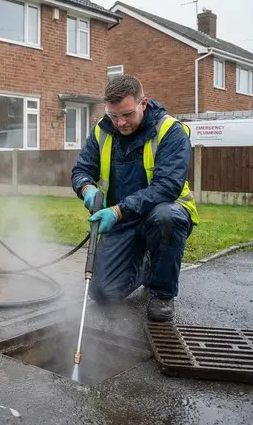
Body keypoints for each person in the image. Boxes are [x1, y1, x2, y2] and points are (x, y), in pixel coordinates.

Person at [71, 74, 199, 321]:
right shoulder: (102, 130)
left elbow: (166, 187)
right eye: (114, 115)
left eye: (127, 114)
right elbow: (81, 170)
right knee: (103, 292)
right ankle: (145, 264)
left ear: (143, 103)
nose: (120, 123)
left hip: (161, 215)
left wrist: (117, 211)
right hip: (122, 221)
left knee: (165, 218)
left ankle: (162, 293)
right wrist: (86, 188)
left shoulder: (170, 131)